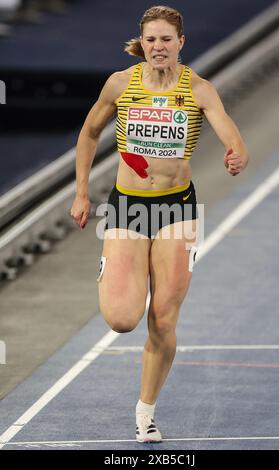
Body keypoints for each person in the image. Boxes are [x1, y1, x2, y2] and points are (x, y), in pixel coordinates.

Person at [70, 5, 249, 443]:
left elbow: (229, 130)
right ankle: (112, 263)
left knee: (163, 321)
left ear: (181, 43)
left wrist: (236, 151)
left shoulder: (199, 89)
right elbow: (89, 133)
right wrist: (80, 192)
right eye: (151, 39)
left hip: (177, 211)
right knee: (121, 319)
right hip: (129, 207)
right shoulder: (120, 84)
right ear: (142, 43)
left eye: (166, 39)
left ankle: (145, 413)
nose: (158, 47)